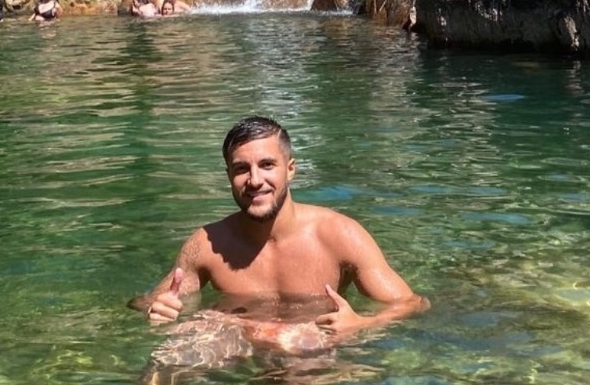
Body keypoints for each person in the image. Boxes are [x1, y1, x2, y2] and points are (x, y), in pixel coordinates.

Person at [129, 115, 429, 344]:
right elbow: (145, 302)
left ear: (291, 169)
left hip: (312, 345)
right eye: (242, 169)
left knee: (303, 365)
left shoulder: (340, 235)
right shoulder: (207, 244)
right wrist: (155, 308)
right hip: (237, 340)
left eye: (267, 165)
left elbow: (413, 304)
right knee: (174, 355)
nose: (255, 180)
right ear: (229, 175)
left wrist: (362, 324)